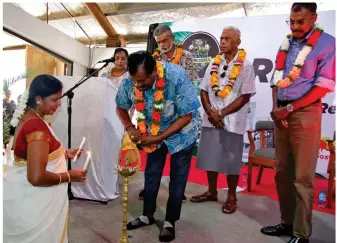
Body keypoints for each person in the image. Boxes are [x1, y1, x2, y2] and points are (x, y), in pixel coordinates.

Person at [260, 3, 335, 243]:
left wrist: (290, 108)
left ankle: (301, 234)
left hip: (305, 113)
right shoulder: (287, 42)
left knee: (302, 177)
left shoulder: (327, 43)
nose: (295, 27)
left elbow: (323, 86)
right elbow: (276, 79)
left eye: (300, 22)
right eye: (291, 22)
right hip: (281, 111)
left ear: (314, 18)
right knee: (282, 172)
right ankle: (287, 222)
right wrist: (276, 108)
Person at [115, 51, 200, 242]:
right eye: (136, 81)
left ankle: (170, 221)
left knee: (177, 179)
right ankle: (147, 215)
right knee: (152, 174)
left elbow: (187, 115)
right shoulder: (131, 81)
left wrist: (160, 136)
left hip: (182, 134)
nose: (139, 85)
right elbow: (120, 105)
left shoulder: (176, 76)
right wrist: (130, 127)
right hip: (152, 133)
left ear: (155, 71)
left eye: (143, 80)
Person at [3, 74, 88, 243]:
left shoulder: (27, 116)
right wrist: (70, 176)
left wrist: (63, 154)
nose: (59, 104)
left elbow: (28, 154)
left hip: (23, 198)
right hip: (35, 205)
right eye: (54, 99)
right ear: (39, 99)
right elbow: (36, 177)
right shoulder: (37, 127)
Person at [189, 26, 256, 214]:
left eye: (227, 38)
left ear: (238, 42)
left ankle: (232, 196)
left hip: (233, 121)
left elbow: (245, 96)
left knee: (231, 160)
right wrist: (211, 113)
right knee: (211, 156)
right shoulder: (213, 63)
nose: (223, 41)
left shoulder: (246, 66)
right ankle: (211, 191)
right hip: (211, 118)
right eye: (221, 38)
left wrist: (222, 113)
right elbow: (203, 90)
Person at [138, 24, 199, 202]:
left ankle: (177, 192)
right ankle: (149, 190)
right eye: (159, 42)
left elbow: (192, 84)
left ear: (172, 38)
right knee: (155, 158)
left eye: (164, 40)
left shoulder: (186, 57)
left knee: (179, 161)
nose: (162, 44)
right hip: (159, 114)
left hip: (180, 115)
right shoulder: (154, 59)